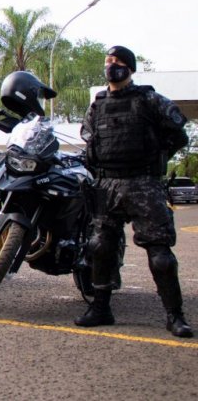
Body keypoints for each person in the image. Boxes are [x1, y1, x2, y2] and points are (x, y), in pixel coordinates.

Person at [77, 45, 192, 337]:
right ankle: (100, 308)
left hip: (144, 184)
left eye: (117, 61)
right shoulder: (97, 105)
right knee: (100, 247)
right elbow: (90, 140)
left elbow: (178, 134)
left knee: (160, 253)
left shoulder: (149, 99)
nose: (111, 65)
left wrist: (156, 158)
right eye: (108, 61)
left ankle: (175, 316)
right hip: (107, 185)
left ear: (129, 68)